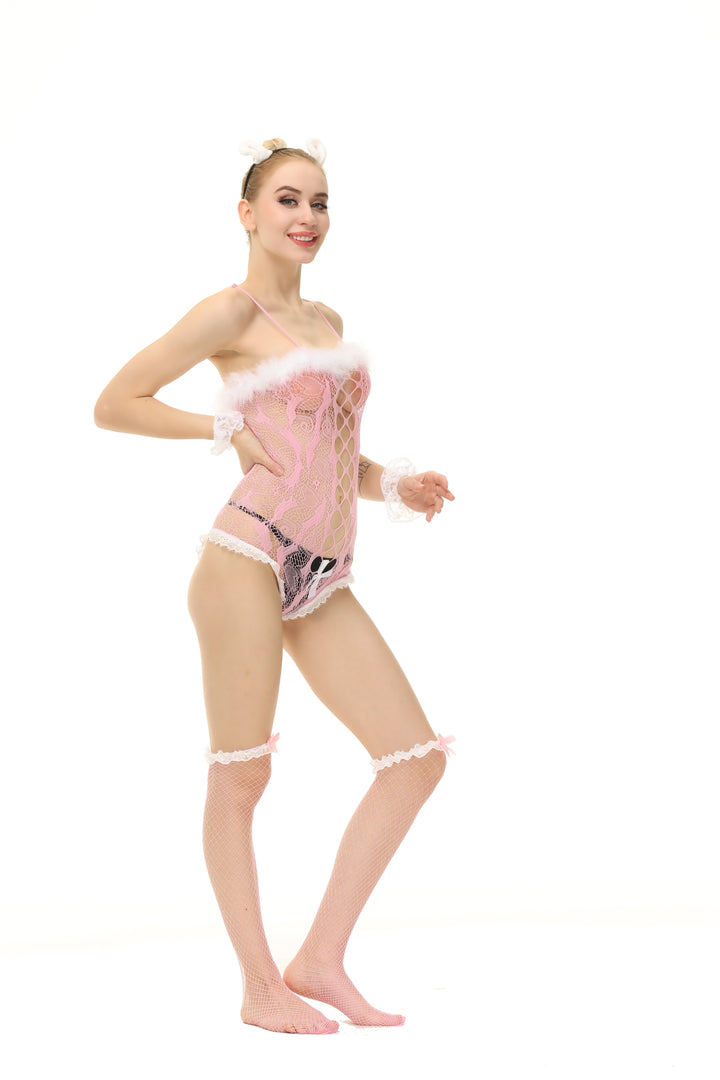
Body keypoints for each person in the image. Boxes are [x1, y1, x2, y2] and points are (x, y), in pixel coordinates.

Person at [94, 137, 456, 1035]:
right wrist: (220, 429)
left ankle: (319, 959)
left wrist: (395, 484)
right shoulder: (231, 311)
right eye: (288, 200)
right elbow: (116, 401)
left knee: (416, 760)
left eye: (320, 202)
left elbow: (332, 457)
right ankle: (260, 987)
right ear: (247, 213)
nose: (307, 217)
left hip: (322, 569)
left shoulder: (328, 320)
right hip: (247, 556)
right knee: (243, 776)